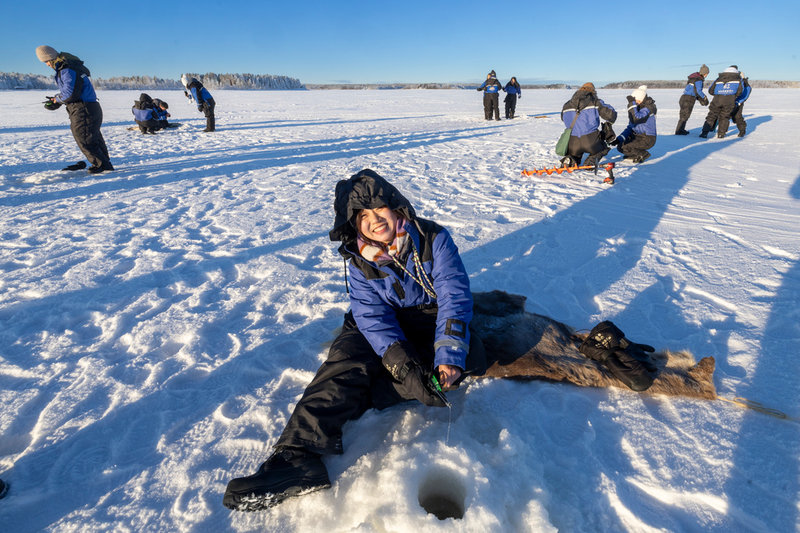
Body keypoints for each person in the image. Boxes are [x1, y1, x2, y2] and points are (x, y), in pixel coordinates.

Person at [223, 169, 486, 512]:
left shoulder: (434, 238)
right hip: (374, 324)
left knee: (471, 357)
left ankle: (380, 390)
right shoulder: (359, 260)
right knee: (345, 364)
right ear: (354, 225)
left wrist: (448, 355)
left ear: (397, 208)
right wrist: (401, 365)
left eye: (379, 211)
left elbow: (454, 297)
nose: (374, 221)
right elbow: (373, 318)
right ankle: (297, 456)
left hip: (430, 315)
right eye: (363, 217)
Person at [35, 45, 113, 174]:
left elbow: (71, 94)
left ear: (51, 58)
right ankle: (104, 163)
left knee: (84, 137)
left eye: (46, 61)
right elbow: (70, 91)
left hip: (83, 108)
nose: (46, 65)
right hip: (89, 107)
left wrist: (58, 100)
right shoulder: (70, 67)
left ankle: (102, 165)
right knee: (92, 136)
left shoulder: (66, 69)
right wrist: (57, 99)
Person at [559, 82, 617, 167]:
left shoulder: (567, 105)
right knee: (604, 147)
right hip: (590, 140)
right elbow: (611, 115)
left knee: (575, 154)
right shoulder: (595, 102)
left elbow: (563, 118)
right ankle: (592, 160)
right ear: (593, 91)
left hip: (572, 141)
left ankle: (570, 159)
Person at [611, 85, 657, 163]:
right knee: (620, 146)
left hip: (648, 138)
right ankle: (635, 154)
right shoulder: (637, 108)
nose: (635, 103)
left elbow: (636, 118)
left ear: (642, 99)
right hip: (638, 136)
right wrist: (619, 139)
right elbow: (630, 128)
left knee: (627, 146)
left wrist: (632, 103)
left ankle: (643, 154)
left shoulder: (649, 108)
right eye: (634, 101)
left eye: (636, 101)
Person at [700, 66, 743, 139]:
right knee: (724, 117)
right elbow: (740, 92)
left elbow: (711, 90)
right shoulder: (738, 79)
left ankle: (704, 133)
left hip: (717, 99)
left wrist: (719, 93)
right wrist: (731, 95)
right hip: (729, 100)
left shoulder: (718, 79)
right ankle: (721, 134)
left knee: (711, 116)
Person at [675, 64, 709, 135]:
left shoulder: (692, 79)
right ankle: (679, 131)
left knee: (683, 115)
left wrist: (699, 99)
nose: (707, 75)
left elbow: (694, 91)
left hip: (684, 97)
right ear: (704, 73)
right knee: (684, 116)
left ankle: (681, 129)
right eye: (707, 74)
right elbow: (698, 91)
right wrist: (704, 98)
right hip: (689, 99)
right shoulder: (698, 80)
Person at [730, 70, 751, 137]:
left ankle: (742, 131)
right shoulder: (734, 82)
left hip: (738, 103)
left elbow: (746, 94)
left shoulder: (745, 83)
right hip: (730, 101)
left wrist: (739, 101)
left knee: (737, 117)